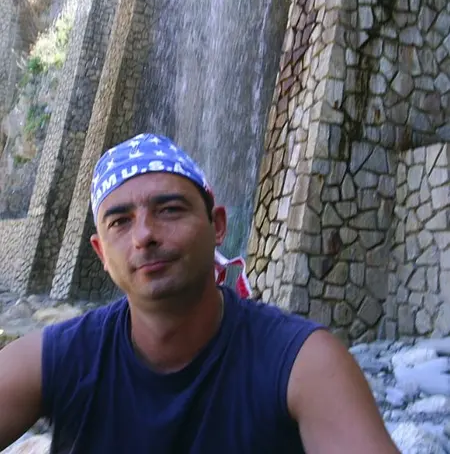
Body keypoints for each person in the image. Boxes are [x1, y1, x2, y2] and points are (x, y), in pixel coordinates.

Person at [0, 133, 400, 453]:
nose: (145, 235)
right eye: (120, 221)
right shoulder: (54, 359)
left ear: (218, 225)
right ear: (101, 253)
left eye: (170, 210)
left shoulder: (303, 362)